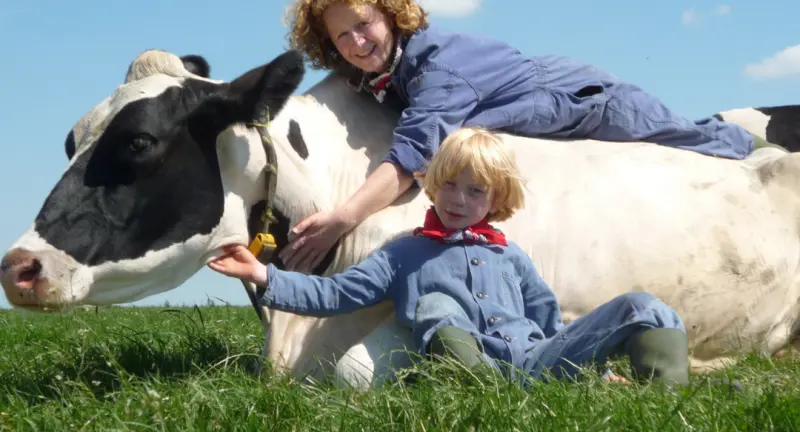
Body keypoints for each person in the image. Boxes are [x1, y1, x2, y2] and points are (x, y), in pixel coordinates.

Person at [277, 0, 784, 273]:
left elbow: (414, 154)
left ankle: (769, 151)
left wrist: (343, 218)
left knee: (690, 139)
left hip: (589, 101)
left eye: (363, 23)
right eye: (342, 36)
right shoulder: (388, 73)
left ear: (390, 12)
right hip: (551, 112)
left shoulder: (437, 68)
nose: (356, 41)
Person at [209, 126, 690, 387]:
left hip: (537, 359)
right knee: (436, 307)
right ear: (434, 188)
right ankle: (484, 391)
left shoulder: (511, 256)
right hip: (475, 366)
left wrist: (593, 367)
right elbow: (335, 293)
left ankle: (668, 397)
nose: (458, 199)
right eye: (450, 186)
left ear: (496, 200)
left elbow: (547, 319)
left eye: (475, 190)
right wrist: (263, 275)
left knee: (643, 305)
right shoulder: (403, 253)